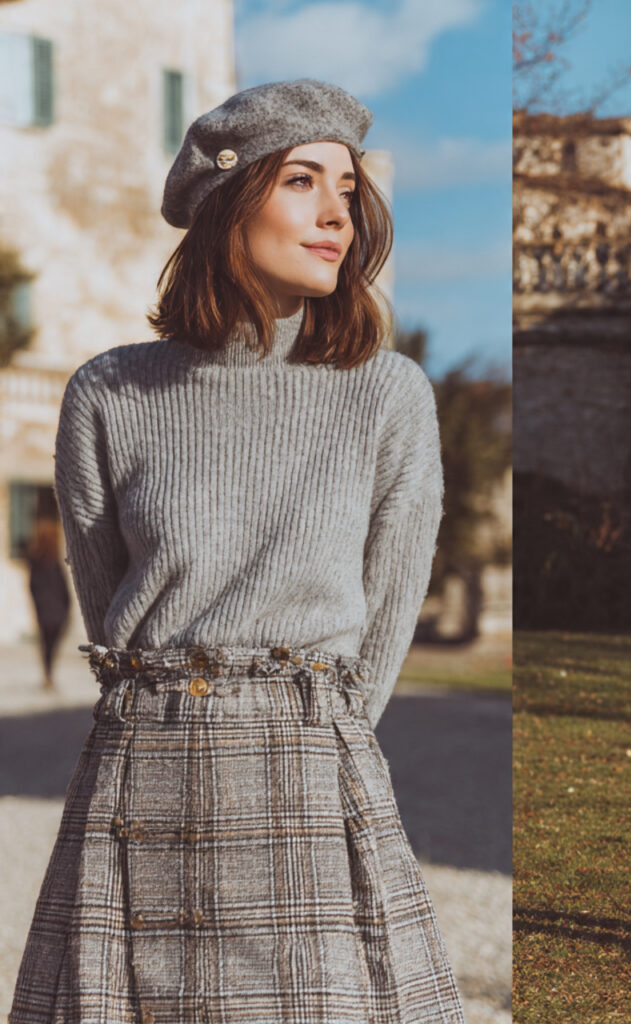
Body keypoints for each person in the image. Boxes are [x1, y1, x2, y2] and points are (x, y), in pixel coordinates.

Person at [10, 79, 464, 1023]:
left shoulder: (387, 394)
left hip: (308, 760)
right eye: (303, 181)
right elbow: (107, 605)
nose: (337, 212)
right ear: (228, 201)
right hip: (143, 762)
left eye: (347, 187)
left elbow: (386, 613)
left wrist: (306, 729)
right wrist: (180, 706)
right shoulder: (108, 393)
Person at [24, 518, 71, 691]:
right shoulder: (45, 562)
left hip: (48, 612)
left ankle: (48, 673)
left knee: (47, 645)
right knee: (50, 645)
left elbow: (33, 587)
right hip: (54, 612)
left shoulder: (40, 563)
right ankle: (49, 674)